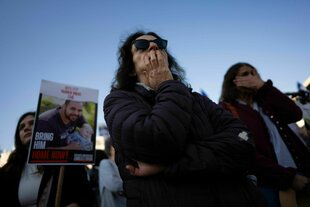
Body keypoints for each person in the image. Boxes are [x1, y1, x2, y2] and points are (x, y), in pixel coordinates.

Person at [103, 30, 267, 207]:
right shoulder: (118, 101)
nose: (153, 46)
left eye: (160, 44)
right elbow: (157, 142)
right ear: (131, 70)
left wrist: (167, 165)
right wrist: (167, 85)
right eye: (142, 46)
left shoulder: (198, 100)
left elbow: (244, 139)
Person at [219, 62, 310, 207]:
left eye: (254, 73)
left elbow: (295, 114)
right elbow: (243, 148)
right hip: (268, 183)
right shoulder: (226, 109)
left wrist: (263, 87)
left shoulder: (266, 98)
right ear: (234, 81)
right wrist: (288, 177)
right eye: (246, 74)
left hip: (302, 172)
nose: (252, 77)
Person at [0, 111, 95, 206]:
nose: (26, 128)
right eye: (21, 127)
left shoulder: (66, 161)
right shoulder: (8, 171)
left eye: (32, 123)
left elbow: (85, 194)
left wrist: (76, 204)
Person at [98, 138, 126, 207]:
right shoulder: (105, 163)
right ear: (110, 148)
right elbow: (114, 185)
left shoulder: (124, 164)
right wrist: (128, 185)